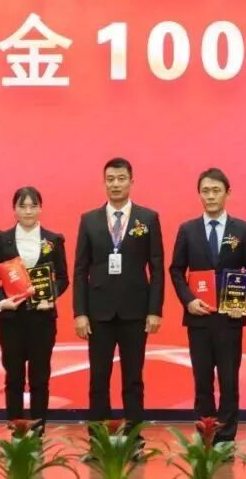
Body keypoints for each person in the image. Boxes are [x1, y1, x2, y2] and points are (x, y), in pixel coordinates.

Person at [73, 157, 164, 454]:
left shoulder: (147, 218)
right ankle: (97, 442)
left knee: (133, 380)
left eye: (121, 178)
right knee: (98, 379)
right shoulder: (89, 220)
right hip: (98, 313)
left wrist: (154, 310)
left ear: (131, 182)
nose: (115, 184)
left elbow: (157, 268)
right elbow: (80, 270)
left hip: (135, 312)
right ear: (104, 183)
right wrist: (80, 313)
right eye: (110, 179)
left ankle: (135, 440)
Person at [169, 168, 246, 444]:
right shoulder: (188, 229)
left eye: (216, 191)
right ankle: (206, 433)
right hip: (199, 317)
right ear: (199, 194)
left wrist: (242, 300)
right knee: (202, 379)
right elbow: (176, 270)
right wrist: (188, 300)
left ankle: (227, 436)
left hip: (230, 317)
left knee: (229, 380)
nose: (210, 196)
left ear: (227, 193)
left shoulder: (242, 229)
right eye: (205, 191)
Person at [0, 187, 69, 434]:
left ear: (41, 208)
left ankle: (38, 432)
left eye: (33, 206)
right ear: (14, 209)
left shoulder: (53, 240)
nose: (28, 211)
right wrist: (2, 302)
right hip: (12, 319)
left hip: (42, 318)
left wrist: (51, 296)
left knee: (40, 379)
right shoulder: (3, 240)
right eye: (22, 206)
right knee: (14, 378)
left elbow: (63, 278)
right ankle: (17, 433)